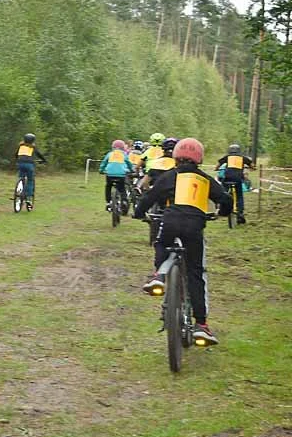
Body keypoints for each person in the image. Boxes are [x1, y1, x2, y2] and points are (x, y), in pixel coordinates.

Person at [134, 138, 233, 345]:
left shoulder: (170, 176)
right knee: (196, 274)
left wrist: (138, 212)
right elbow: (225, 199)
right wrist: (222, 212)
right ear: (199, 158)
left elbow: (150, 197)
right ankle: (201, 325)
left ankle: (159, 275)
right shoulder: (205, 178)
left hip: (170, 222)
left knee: (161, 243)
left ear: (176, 156)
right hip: (194, 227)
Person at [216, 144, 254, 224]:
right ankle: (240, 213)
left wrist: (216, 168)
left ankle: (222, 209)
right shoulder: (242, 157)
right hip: (238, 179)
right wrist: (252, 168)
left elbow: (218, 164)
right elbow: (252, 165)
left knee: (224, 192)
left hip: (227, 178)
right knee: (239, 195)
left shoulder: (227, 157)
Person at [14, 133, 47, 210]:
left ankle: (20, 190)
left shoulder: (20, 146)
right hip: (29, 165)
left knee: (21, 177)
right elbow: (39, 155)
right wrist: (44, 160)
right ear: (32, 141)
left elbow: (16, 155)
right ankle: (28, 199)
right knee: (30, 180)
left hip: (20, 164)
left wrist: (18, 158)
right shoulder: (33, 147)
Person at [99, 140, 134, 211]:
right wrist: (131, 170)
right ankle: (124, 201)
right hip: (121, 175)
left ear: (113, 147)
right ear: (123, 147)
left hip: (110, 174)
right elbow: (129, 163)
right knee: (122, 188)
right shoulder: (124, 154)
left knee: (108, 186)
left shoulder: (109, 154)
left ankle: (108, 202)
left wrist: (101, 170)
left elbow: (104, 163)